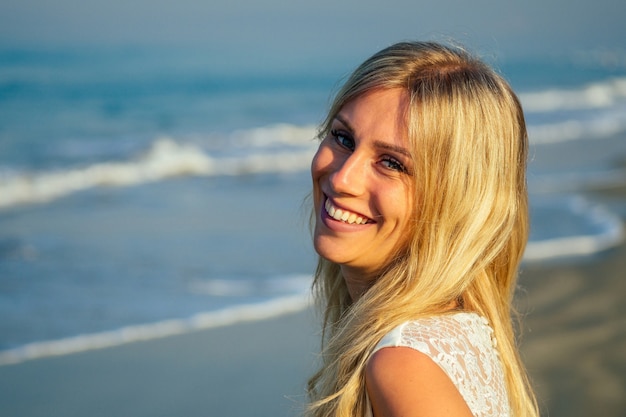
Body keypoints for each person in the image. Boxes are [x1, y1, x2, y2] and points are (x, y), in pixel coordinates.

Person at [306, 41, 539, 417]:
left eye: (392, 163)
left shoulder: (402, 365)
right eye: (343, 138)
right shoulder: (457, 326)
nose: (344, 178)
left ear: (455, 199)